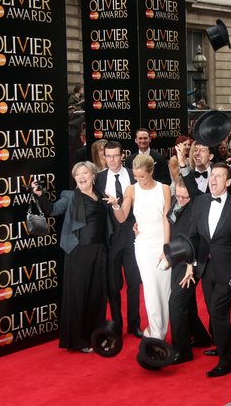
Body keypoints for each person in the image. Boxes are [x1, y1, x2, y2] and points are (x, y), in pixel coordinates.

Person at [33, 161, 108, 353]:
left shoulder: (102, 196)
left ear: (93, 175)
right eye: (78, 174)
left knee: (96, 296)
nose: (81, 177)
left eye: (85, 173)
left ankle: (95, 335)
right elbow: (52, 210)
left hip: (99, 251)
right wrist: (41, 195)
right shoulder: (70, 196)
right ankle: (78, 340)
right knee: (78, 295)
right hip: (78, 251)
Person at [187, 162, 231, 377]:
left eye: (219, 177)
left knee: (218, 312)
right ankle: (229, 344)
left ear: (229, 182)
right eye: (212, 176)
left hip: (228, 269)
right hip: (205, 266)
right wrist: (191, 263)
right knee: (214, 312)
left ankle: (226, 360)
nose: (213, 180)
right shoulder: (201, 202)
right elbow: (193, 236)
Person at [107, 154, 172, 340]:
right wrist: (115, 205)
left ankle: (161, 329)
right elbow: (122, 217)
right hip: (143, 245)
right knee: (151, 289)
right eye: (136, 176)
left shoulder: (164, 189)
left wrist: (166, 249)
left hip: (162, 242)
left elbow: (166, 220)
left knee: (165, 289)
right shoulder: (132, 189)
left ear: (151, 171)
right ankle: (156, 333)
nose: (138, 180)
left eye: (142, 176)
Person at [95, 141, 141, 337]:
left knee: (133, 282)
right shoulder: (98, 178)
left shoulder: (133, 175)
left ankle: (134, 324)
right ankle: (116, 324)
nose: (112, 160)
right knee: (113, 285)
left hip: (132, 234)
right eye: (108, 156)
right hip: (110, 238)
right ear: (104, 157)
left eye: (115, 156)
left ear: (122, 156)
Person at [167, 175, 211, 364]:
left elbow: (195, 239)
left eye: (185, 197)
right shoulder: (175, 201)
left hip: (190, 263)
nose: (181, 200)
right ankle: (200, 337)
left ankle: (182, 350)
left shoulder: (196, 206)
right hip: (176, 259)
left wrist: (190, 266)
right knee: (187, 302)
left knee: (175, 303)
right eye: (178, 196)